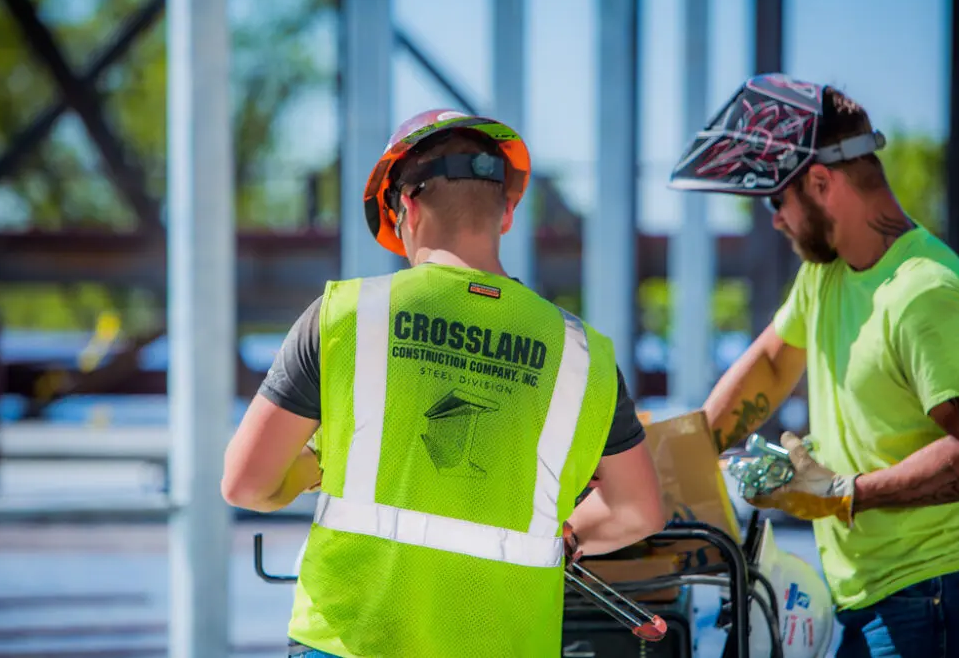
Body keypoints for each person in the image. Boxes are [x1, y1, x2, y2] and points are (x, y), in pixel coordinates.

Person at [222, 109, 666, 657]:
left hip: (348, 642)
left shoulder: (345, 316)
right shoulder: (582, 354)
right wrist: (569, 535)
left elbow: (247, 483)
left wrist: (318, 463)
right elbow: (639, 509)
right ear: (506, 212)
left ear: (404, 205)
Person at [668, 73, 959, 657]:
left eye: (776, 199)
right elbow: (768, 364)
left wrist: (845, 493)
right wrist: (677, 464)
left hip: (938, 596)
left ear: (819, 182)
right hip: (877, 598)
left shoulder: (923, 294)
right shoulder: (827, 274)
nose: (775, 219)